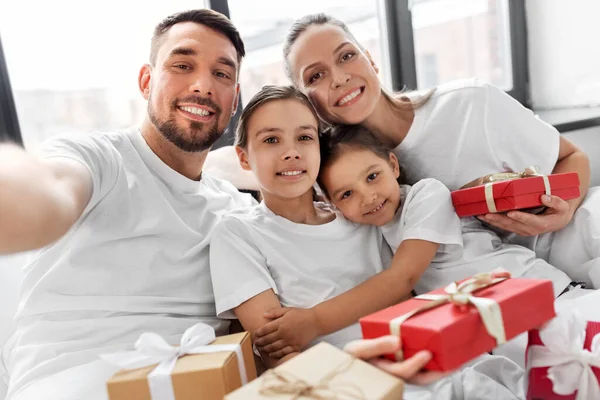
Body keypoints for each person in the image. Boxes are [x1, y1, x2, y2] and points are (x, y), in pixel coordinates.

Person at [0, 9, 255, 400]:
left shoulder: (236, 210)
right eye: (183, 65)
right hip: (73, 384)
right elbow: (50, 190)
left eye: (222, 74)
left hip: (198, 383)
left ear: (234, 99)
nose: (203, 85)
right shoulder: (98, 158)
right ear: (146, 81)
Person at [280, 13, 598, 293]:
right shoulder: (339, 186)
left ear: (370, 60)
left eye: (347, 56)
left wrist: (565, 210)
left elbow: (572, 158)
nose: (339, 78)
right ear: (304, 102)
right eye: (315, 76)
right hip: (519, 293)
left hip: (579, 239)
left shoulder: (469, 103)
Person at [254, 124, 554, 356]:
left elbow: (402, 277)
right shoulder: (368, 229)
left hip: (532, 288)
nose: (368, 196)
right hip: (493, 321)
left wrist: (314, 321)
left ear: (393, 166)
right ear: (332, 205)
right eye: (347, 194)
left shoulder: (426, 196)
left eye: (373, 177)